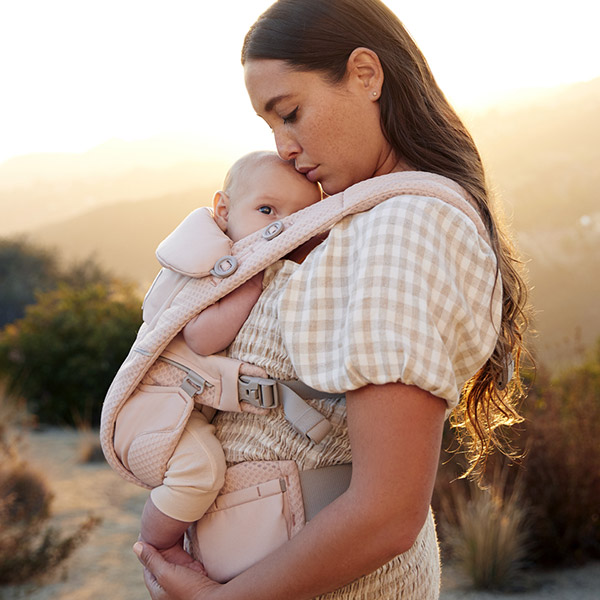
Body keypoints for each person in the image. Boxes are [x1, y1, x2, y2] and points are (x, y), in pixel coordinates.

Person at [132, 1, 529, 598]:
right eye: (270, 126)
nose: (284, 146)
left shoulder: (404, 226)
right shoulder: (357, 221)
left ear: (366, 74)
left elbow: (387, 512)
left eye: (290, 113)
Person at [123, 150, 322, 554]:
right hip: (156, 403)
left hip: (188, 403)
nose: (281, 227)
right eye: (266, 209)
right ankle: (157, 549)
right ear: (223, 209)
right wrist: (251, 283)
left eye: (299, 218)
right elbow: (201, 338)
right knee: (200, 470)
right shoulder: (217, 263)